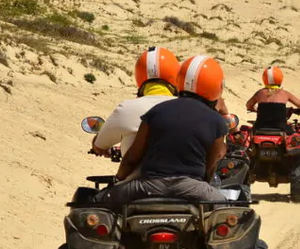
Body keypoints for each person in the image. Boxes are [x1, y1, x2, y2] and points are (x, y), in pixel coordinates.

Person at [93, 56, 229, 207]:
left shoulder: (157, 110)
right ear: (217, 86)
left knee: (97, 202)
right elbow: (210, 168)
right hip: (192, 187)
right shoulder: (217, 121)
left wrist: (118, 180)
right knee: (226, 208)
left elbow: (132, 157)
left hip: (149, 186)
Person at [91, 47, 179, 174]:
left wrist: (97, 142)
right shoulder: (190, 110)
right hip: (183, 186)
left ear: (139, 76)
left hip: (136, 186)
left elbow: (99, 146)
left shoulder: (127, 108)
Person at [246, 66, 300, 132]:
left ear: (264, 79)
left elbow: (248, 105)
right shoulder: (285, 93)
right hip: (281, 127)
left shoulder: (259, 93)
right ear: (280, 78)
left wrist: (252, 108)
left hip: (260, 127)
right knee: (295, 134)